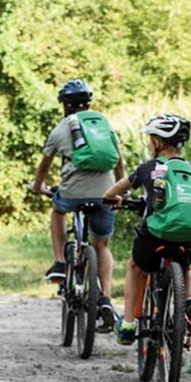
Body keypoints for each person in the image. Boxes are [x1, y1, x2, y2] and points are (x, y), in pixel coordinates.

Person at [103, 114, 191, 346]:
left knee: (135, 266)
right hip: (188, 235)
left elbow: (119, 188)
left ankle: (129, 324)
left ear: (156, 143)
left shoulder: (148, 168)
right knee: (185, 265)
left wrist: (112, 198)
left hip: (155, 235)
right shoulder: (190, 169)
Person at [29, 79, 123, 332]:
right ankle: (105, 297)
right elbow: (119, 163)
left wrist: (38, 187)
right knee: (101, 245)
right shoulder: (104, 126)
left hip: (72, 193)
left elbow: (44, 167)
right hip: (106, 192)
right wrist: (118, 191)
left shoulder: (60, 130)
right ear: (88, 104)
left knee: (59, 209)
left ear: (65, 106)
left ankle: (60, 262)